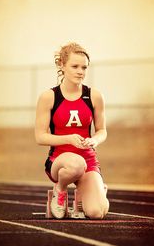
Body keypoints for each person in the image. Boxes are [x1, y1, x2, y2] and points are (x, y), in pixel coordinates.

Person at [35, 42, 109, 219]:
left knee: (97, 213)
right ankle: (59, 190)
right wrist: (68, 139)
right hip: (59, 162)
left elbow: (102, 130)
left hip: (88, 160)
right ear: (62, 65)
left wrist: (95, 140)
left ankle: (97, 191)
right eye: (74, 66)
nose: (80, 71)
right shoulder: (49, 97)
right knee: (76, 164)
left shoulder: (94, 96)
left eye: (84, 67)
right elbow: (40, 137)